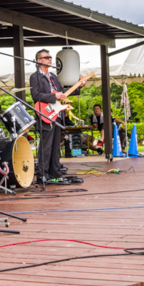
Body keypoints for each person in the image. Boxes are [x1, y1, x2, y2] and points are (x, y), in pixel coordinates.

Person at [30, 49, 87, 186]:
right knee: (46, 146)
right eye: (46, 57)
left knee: (56, 146)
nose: (50, 59)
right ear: (39, 60)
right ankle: (42, 175)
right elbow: (35, 96)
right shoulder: (35, 76)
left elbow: (63, 93)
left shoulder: (53, 77)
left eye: (50, 57)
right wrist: (54, 96)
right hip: (45, 114)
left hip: (56, 114)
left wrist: (79, 86)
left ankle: (55, 173)